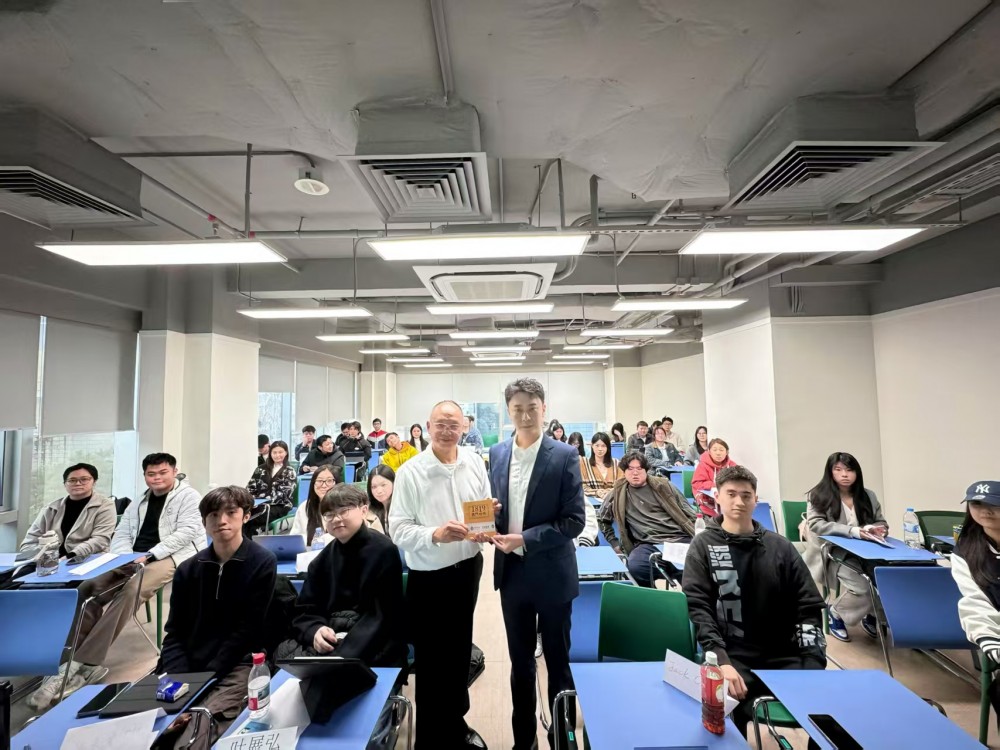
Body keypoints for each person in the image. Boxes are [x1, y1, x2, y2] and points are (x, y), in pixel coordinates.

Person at [29, 453, 205, 710]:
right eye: (151, 474)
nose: (156, 478)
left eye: (162, 473)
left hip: (171, 556)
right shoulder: (140, 500)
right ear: (145, 475)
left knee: (131, 590)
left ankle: (82, 664)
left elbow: (186, 533)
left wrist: (150, 555)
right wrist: (124, 558)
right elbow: (121, 533)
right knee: (87, 588)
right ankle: (70, 659)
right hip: (133, 557)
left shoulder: (189, 496)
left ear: (174, 471)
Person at [682, 466, 827, 736]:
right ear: (717, 497)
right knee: (721, 711)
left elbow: (808, 607)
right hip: (734, 656)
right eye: (731, 494)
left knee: (832, 713)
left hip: (785, 655)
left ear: (755, 500)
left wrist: (813, 662)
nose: (739, 501)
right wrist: (721, 661)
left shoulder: (780, 547)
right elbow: (699, 609)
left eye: (746, 495)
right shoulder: (703, 546)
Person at [488, 378, 585, 750]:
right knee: (521, 664)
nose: (525, 416)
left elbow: (574, 521)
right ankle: (523, 741)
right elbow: (499, 510)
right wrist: (489, 520)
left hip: (553, 573)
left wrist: (525, 539)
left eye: (532, 408)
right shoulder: (497, 453)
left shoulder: (563, 455)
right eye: (517, 409)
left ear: (544, 409)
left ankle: (562, 739)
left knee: (558, 663)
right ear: (508, 411)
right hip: (512, 574)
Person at [389, 400, 491, 750]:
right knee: (433, 662)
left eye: (454, 425)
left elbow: (483, 505)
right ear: (428, 427)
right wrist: (435, 534)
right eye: (441, 424)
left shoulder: (474, 461)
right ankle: (431, 738)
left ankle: (456, 725)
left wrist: (485, 523)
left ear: (464, 428)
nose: (447, 431)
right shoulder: (411, 472)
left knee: (459, 653)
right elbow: (398, 530)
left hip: (469, 570)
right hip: (431, 578)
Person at [157, 486, 276, 741]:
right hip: (188, 664)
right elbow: (175, 632)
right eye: (213, 515)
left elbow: (247, 631)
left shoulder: (262, 562)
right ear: (204, 522)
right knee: (156, 728)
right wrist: (179, 679)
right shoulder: (188, 569)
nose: (221, 520)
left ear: (246, 516)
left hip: (237, 664)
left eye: (231, 513)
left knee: (199, 729)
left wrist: (202, 682)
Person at [277, 484, 405, 665]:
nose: (336, 519)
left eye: (344, 511)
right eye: (329, 515)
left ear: (364, 510)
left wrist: (340, 657)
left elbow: (383, 616)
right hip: (331, 643)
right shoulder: (322, 560)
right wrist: (315, 631)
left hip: (373, 646)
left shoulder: (384, 551)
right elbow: (306, 609)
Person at [802, 453, 886, 642]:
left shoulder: (868, 495)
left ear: (857, 473)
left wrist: (878, 529)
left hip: (866, 550)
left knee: (886, 579)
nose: (844, 474)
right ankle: (836, 612)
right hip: (833, 552)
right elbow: (816, 524)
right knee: (862, 588)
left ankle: (872, 613)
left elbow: (881, 521)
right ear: (830, 472)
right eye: (838, 470)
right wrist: (853, 531)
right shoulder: (818, 495)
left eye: (849, 470)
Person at [598, 451, 695, 586]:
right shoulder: (618, 493)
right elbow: (602, 518)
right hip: (648, 544)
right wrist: (614, 543)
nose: (635, 473)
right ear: (624, 472)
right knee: (636, 567)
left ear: (646, 470)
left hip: (678, 539)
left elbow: (689, 511)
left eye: (639, 469)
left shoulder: (663, 486)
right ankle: (652, 596)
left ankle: (689, 595)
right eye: (630, 469)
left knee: (693, 569)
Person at [952, 480, 1000, 722]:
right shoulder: (965, 551)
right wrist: (990, 640)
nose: (985, 511)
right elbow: (974, 601)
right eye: (977, 504)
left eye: (994, 504)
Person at [20, 463, 116, 560]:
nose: (78, 483)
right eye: (72, 480)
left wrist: (70, 556)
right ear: (65, 484)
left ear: (94, 482)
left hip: (87, 559)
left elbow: (100, 540)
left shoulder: (104, 506)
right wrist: (46, 556)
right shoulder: (51, 509)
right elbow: (29, 543)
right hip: (49, 560)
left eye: (84, 479)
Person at [245, 440, 296, 534]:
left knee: (250, 519)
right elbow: (250, 488)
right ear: (270, 453)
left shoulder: (289, 471)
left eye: (280, 452)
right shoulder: (260, 469)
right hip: (258, 504)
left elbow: (284, 495)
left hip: (280, 505)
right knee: (242, 516)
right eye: (274, 452)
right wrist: (252, 501)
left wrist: (264, 501)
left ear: (286, 453)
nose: (277, 455)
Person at [291, 466, 338, 547]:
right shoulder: (305, 507)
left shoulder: (344, 507)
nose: (324, 485)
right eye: (319, 481)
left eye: (329, 481)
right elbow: (295, 537)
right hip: (310, 551)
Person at [691, 438, 737, 517]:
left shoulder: (732, 465)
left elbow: (738, 481)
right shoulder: (703, 465)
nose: (718, 453)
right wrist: (715, 485)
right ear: (709, 451)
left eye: (721, 450)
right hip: (707, 499)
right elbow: (696, 483)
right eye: (714, 450)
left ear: (727, 452)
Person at [579, 432, 620, 502]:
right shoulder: (584, 463)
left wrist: (608, 492)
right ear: (592, 446)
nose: (600, 449)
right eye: (597, 445)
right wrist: (597, 492)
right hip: (591, 502)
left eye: (603, 446)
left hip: (613, 502)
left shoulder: (616, 463)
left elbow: (621, 485)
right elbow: (581, 486)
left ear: (608, 447)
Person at [367, 464, 396, 535]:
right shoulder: (369, 511)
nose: (379, 491)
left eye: (383, 485)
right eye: (374, 487)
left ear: (393, 483)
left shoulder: (402, 507)